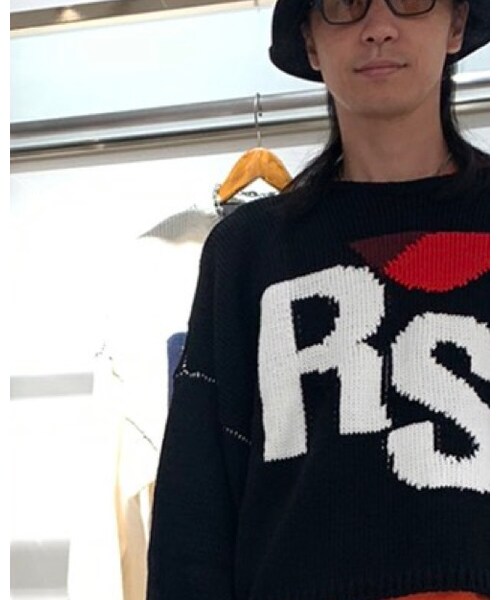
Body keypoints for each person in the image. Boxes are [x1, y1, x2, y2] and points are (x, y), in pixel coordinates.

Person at [146, 0, 489, 598]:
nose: (378, 28)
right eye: (344, 4)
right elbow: (193, 516)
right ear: (309, 41)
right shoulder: (248, 251)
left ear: (456, 24)